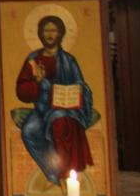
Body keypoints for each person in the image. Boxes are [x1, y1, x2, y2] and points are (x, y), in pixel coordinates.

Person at [14, 14, 98, 184]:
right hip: (41, 110)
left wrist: (73, 91)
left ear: (60, 34)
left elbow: (81, 85)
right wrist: (37, 83)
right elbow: (21, 91)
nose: (50, 34)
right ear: (40, 34)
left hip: (65, 108)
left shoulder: (69, 60)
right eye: (46, 31)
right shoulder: (33, 60)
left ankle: (66, 170)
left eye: (53, 31)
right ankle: (52, 171)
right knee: (29, 131)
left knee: (59, 124)